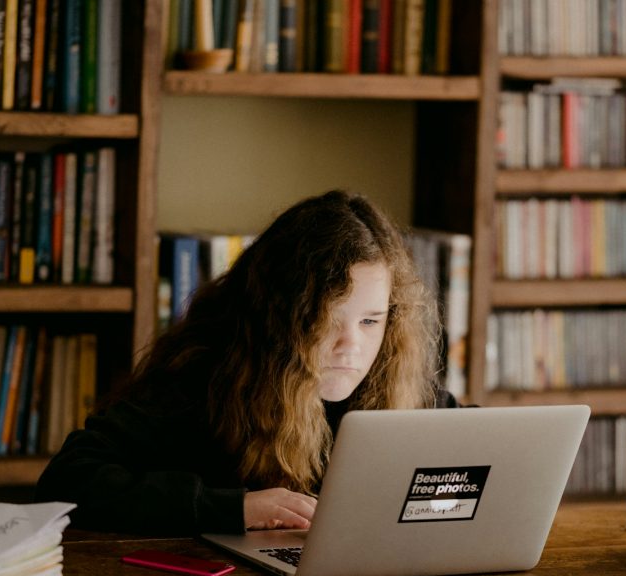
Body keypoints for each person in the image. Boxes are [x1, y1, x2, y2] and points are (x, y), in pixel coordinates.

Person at [36, 190, 462, 536]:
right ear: (279, 318)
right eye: (325, 319)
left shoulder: (396, 382)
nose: (350, 345)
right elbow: (67, 481)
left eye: (370, 321)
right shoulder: (201, 377)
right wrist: (231, 509)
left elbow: (485, 449)